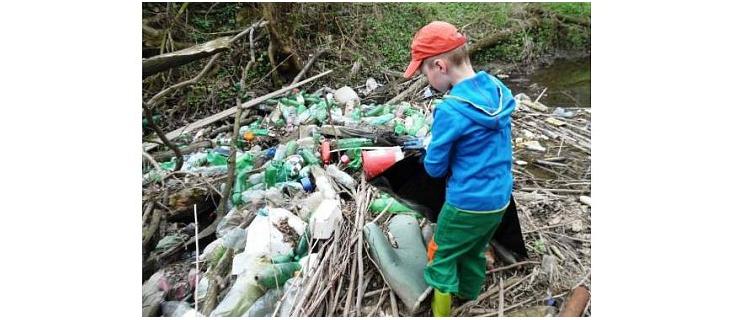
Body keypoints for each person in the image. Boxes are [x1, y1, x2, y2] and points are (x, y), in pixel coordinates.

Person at [402, 21, 516, 317]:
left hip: (467, 203)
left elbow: (436, 169)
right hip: (499, 199)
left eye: (425, 71)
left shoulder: (450, 109)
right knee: (473, 248)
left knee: (440, 257)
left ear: (439, 66)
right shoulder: (497, 91)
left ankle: (442, 313)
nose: (427, 80)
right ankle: (469, 296)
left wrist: (430, 148)